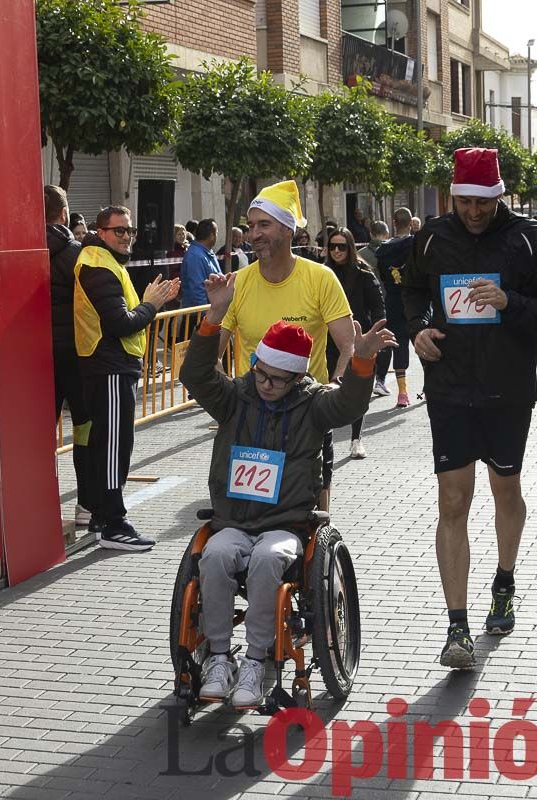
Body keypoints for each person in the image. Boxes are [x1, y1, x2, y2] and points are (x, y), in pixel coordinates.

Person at [180, 276, 393, 708]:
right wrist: (215, 316)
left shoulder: (312, 404)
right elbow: (195, 375)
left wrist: (362, 363)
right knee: (216, 556)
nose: (267, 385)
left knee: (265, 561)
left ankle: (258, 662)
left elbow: (350, 406)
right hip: (234, 520)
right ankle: (220, 658)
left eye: (278, 379)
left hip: (285, 525)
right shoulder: (235, 397)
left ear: (297, 377)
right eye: (262, 374)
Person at [402, 148, 537, 671]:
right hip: (450, 389)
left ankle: (504, 580)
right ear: (452, 195)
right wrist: (417, 330)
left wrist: (511, 304)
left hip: (507, 390)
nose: (474, 211)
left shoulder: (529, 238)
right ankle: (457, 626)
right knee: (453, 500)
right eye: (465, 201)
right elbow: (409, 290)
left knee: (505, 489)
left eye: (484, 201)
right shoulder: (431, 237)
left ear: (499, 195)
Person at [216, 180, 355, 510]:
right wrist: (227, 397)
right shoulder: (240, 283)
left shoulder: (320, 278)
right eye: (250, 226)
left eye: (264, 224)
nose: (254, 234)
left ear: (289, 230)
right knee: (245, 516)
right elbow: (210, 353)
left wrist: (334, 387)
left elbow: (348, 346)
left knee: (313, 518)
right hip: (252, 415)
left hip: (307, 415)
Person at [74, 205, 179, 550]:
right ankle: (113, 523)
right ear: (100, 232)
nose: (126, 237)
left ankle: (105, 518)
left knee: (114, 445)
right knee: (112, 447)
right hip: (110, 369)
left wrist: (151, 303)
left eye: (130, 231)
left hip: (116, 367)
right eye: (119, 231)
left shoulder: (106, 264)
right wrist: (150, 304)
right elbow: (121, 323)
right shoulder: (98, 266)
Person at [46, 185, 93, 528]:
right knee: (85, 431)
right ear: (64, 214)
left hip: (32, 359)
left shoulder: (19, 252)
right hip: (77, 357)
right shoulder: (78, 255)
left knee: (37, 437)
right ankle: (86, 506)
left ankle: (39, 505)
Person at [323, 228, 384, 459]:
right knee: (326, 385)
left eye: (342, 246)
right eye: (332, 246)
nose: (337, 251)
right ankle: (324, 436)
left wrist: (373, 338)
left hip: (358, 340)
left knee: (358, 389)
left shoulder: (364, 274)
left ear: (350, 247)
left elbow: (378, 307)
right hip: (327, 341)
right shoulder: (323, 273)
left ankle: (356, 438)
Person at [371, 208, 416, 406]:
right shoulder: (415, 245)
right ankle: (429, 387)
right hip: (415, 299)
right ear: (411, 223)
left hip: (393, 301)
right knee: (421, 339)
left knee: (399, 344)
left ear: (393, 223)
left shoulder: (383, 250)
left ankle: (403, 393)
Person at [180, 218, 221, 308]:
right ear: (211, 236)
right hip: (199, 316)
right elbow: (197, 290)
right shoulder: (195, 256)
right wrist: (206, 316)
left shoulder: (206, 252)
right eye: (216, 233)